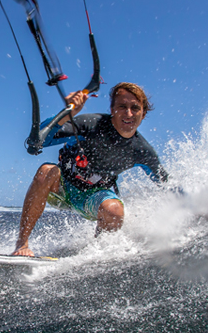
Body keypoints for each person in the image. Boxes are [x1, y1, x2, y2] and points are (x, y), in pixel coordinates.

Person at [12, 82, 169, 257]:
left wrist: (192, 208)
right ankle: (22, 244)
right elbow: (36, 142)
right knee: (46, 171)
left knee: (114, 209)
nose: (128, 113)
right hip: (61, 188)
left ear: (144, 113)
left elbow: (166, 184)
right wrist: (66, 115)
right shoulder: (89, 124)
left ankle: (95, 256)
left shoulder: (142, 151)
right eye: (122, 106)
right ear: (112, 109)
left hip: (92, 198)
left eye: (135, 108)